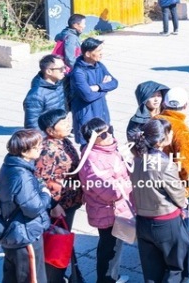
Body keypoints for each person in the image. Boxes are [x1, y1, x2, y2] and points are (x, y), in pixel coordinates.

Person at [129, 119, 189, 282]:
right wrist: (183, 202)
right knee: (177, 268)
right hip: (166, 223)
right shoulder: (164, 164)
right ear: (160, 140)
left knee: (152, 271)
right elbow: (178, 195)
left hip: (143, 222)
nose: (172, 134)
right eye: (169, 132)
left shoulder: (137, 159)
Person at [77, 117, 132, 283]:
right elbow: (111, 192)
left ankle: (113, 277)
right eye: (103, 135)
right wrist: (132, 183)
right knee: (109, 250)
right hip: (108, 213)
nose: (108, 136)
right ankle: (106, 280)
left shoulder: (109, 150)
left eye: (109, 131)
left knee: (115, 248)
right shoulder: (92, 160)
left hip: (118, 210)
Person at [0, 129, 53, 283]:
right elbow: (33, 208)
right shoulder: (22, 175)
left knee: (11, 276)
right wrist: (46, 194)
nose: (41, 148)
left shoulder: (9, 165)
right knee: (33, 278)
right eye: (37, 146)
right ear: (25, 151)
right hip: (25, 235)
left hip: (12, 233)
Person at [35, 110, 83, 283]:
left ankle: (66, 275)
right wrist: (54, 205)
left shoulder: (64, 141)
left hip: (70, 201)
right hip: (59, 206)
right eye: (63, 123)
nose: (68, 124)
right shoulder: (47, 150)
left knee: (64, 238)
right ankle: (53, 277)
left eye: (67, 120)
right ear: (50, 130)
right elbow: (42, 180)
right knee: (57, 241)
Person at [69, 37, 118, 145]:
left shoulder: (99, 66)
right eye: (98, 51)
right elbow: (88, 96)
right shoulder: (78, 72)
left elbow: (114, 83)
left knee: (106, 143)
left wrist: (98, 87)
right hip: (86, 115)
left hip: (102, 112)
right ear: (87, 54)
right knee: (88, 146)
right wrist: (105, 88)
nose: (102, 53)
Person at [156, 87, 189, 200]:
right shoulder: (181, 129)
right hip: (174, 187)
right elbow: (187, 163)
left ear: (164, 103)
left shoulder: (154, 120)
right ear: (186, 105)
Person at [23, 54, 68, 129]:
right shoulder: (36, 95)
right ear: (49, 71)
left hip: (57, 132)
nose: (64, 71)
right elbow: (31, 125)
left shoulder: (58, 84)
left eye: (65, 67)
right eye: (61, 69)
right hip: (47, 136)